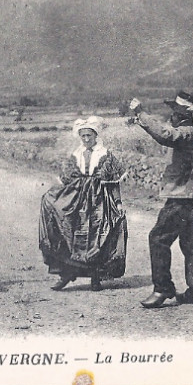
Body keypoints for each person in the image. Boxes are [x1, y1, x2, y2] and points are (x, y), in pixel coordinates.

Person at [128, 91, 193, 308]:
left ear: (181, 115)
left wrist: (141, 114)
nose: (170, 117)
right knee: (190, 243)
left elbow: (165, 135)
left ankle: (163, 289)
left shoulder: (185, 133)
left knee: (158, 238)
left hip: (182, 198)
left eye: (173, 113)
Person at [38, 116, 128, 291]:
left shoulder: (106, 155)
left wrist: (118, 203)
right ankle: (67, 273)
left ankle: (95, 276)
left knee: (96, 236)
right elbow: (66, 179)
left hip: (99, 200)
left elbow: (114, 180)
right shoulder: (75, 155)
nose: (86, 139)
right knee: (71, 234)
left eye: (89, 135)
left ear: (96, 135)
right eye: (83, 136)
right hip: (77, 199)